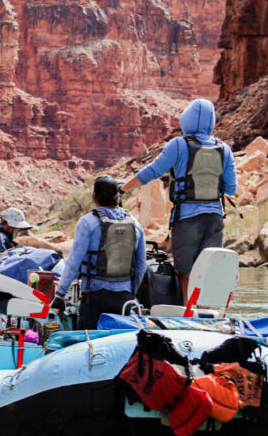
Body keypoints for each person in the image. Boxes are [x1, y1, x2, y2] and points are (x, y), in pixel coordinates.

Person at [121, 98, 237, 301]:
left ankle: (186, 315)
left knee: (185, 270)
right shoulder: (224, 149)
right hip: (215, 218)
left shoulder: (178, 145)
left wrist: (122, 188)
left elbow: (152, 171)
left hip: (188, 218)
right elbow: (231, 188)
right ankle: (206, 313)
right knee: (208, 269)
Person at [54, 176, 147, 330]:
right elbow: (141, 265)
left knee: (89, 343)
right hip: (124, 297)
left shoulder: (87, 222)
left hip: (95, 295)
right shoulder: (135, 224)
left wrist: (60, 294)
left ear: (94, 197)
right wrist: (131, 291)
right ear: (118, 197)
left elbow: (74, 262)